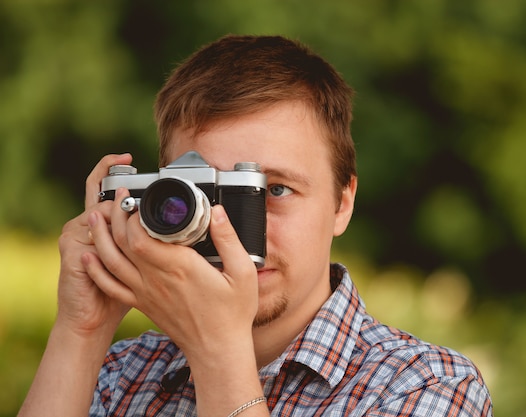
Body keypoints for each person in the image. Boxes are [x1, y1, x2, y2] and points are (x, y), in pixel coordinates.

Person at [18, 35, 492, 417]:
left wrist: (218, 354)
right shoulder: (121, 372)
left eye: (277, 190)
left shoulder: (425, 387)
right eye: (207, 196)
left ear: (342, 202)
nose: (239, 237)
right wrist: (81, 332)